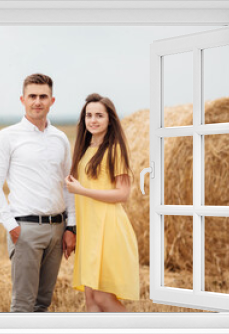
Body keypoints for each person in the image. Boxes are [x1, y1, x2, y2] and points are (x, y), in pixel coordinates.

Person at [0, 73, 76, 312]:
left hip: (58, 229)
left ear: (52, 101)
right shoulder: (7, 137)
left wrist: (71, 227)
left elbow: (68, 185)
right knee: (23, 305)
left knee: (43, 304)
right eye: (32, 96)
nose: (38, 101)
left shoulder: (60, 138)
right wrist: (11, 226)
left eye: (43, 96)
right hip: (25, 229)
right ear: (22, 99)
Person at [65, 93, 139, 312]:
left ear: (110, 119)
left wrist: (82, 190)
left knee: (103, 297)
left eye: (99, 115)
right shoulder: (85, 150)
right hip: (90, 231)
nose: (93, 120)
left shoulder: (115, 149)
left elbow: (122, 194)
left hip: (108, 228)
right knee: (91, 299)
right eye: (89, 115)